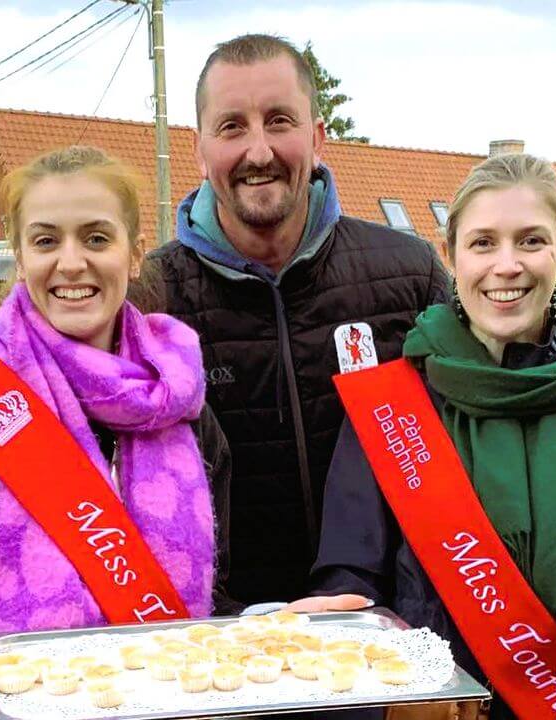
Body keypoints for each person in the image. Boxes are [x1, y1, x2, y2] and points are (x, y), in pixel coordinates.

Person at [0, 146, 363, 720]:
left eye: (96, 238)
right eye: (45, 240)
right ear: (19, 256)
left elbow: (204, 607)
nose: (70, 262)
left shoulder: (186, 409)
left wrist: (273, 631)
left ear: (134, 255)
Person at [313, 153, 556, 718]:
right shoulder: (390, 409)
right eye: (483, 243)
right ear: (450, 256)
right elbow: (351, 589)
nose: (506, 265)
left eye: (531, 241)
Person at [148, 34, 450, 605]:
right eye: (232, 127)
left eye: (279, 121)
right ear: (200, 148)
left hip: (383, 638)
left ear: (316, 138)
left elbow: (497, 383)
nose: (258, 152)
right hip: (217, 647)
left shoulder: (412, 275)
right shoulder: (150, 297)